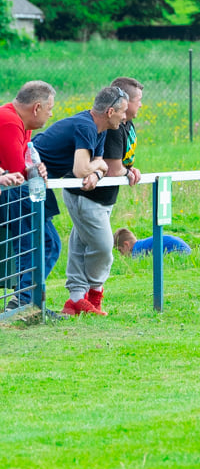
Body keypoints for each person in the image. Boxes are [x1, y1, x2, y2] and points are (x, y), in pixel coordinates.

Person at [33, 86, 131, 315]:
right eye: (122, 112)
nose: (124, 117)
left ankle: (77, 300)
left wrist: (96, 172)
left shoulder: (101, 128)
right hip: (27, 177)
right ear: (109, 111)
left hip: (43, 182)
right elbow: (80, 169)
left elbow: (97, 163)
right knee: (50, 244)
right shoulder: (86, 126)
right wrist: (97, 168)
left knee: (55, 243)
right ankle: (28, 302)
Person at [0, 81, 54, 310]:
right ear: (36, 107)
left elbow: (24, 166)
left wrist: (37, 168)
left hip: (16, 192)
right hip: (12, 194)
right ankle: (24, 303)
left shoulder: (20, 122)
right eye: (49, 109)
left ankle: (26, 302)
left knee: (41, 244)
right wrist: (30, 171)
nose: (50, 115)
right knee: (43, 243)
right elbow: (15, 169)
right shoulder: (10, 122)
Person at [114, 228, 191, 256]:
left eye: (120, 250)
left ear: (126, 244)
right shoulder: (142, 244)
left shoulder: (137, 251)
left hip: (179, 252)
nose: (121, 255)